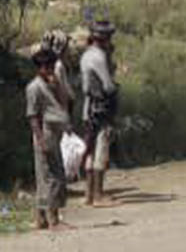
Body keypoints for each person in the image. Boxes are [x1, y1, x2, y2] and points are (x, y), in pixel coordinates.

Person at [25, 47, 73, 230]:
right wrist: (40, 140)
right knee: (52, 177)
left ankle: (41, 219)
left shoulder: (51, 83)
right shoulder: (34, 87)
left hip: (55, 133)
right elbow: (33, 116)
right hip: (44, 134)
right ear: (40, 67)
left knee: (47, 176)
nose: (51, 69)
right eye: (47, 66)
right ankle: (53, 219)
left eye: (52, 66)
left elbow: (62, 102)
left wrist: (57, 84)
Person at [78, 18, 119, 208]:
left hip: (88, 108)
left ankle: (88, 194)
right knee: (101, 150)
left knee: (90, 150)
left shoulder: (86, 55)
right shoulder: (99, 57)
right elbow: (108, 86)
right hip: (100, 108)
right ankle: (98, 195)